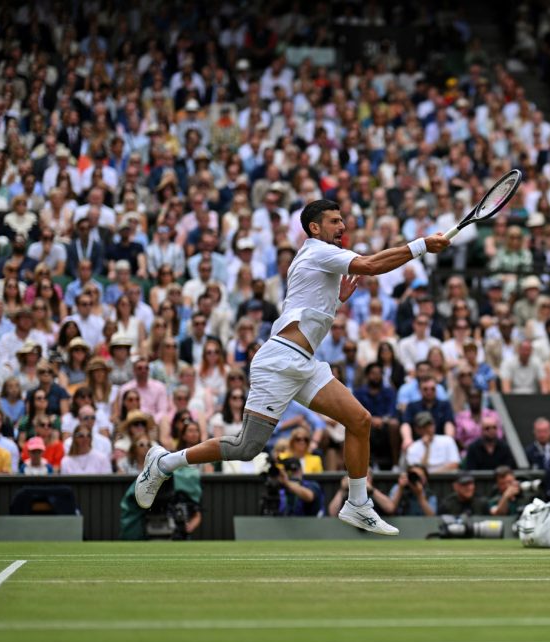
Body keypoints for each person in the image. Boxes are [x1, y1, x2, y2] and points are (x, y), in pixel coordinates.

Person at [135, 202, 450, 534]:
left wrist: (335, 300)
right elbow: (370, 265)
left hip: (304, 362)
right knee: (247, 447)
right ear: (315, 228)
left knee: (359, 421)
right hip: (279, 362)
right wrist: (422, 246)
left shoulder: (318, 258)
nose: (342, 225)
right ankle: (164, 462)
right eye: (334, 221)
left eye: (343, 219)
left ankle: (358, 504)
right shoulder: (317, 251)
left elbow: (307, 302)